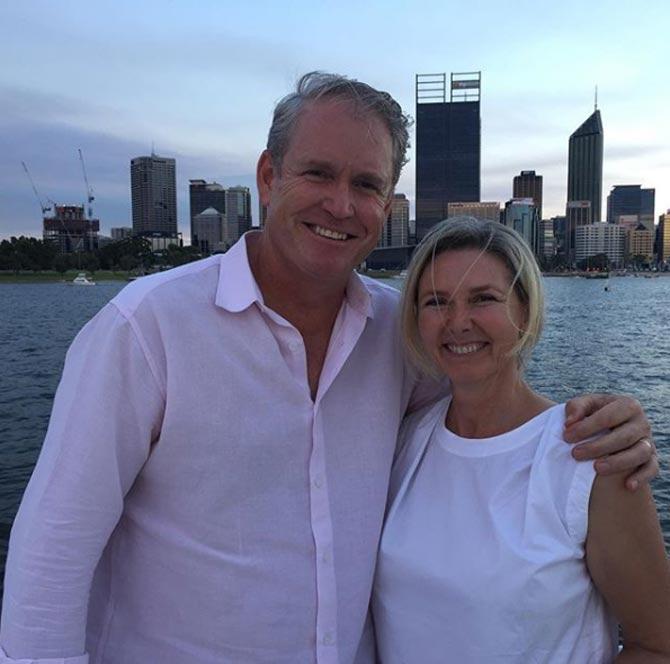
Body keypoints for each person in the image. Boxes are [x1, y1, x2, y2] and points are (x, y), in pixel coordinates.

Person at [0, 73, 657, 663]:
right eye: (318, 173)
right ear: (268, 176)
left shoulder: (397, 335)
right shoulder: (147, 328)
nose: (341, 205)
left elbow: (488, 403)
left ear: (387, 200)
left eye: (366, 184)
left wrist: (612, 420)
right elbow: (51, 558)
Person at [373, 217, 670, 663]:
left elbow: (656, 644)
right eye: (437, 302)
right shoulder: (403, 442)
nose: (458, 322)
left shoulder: (590, 458)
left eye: (484, 299)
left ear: (525, 310)